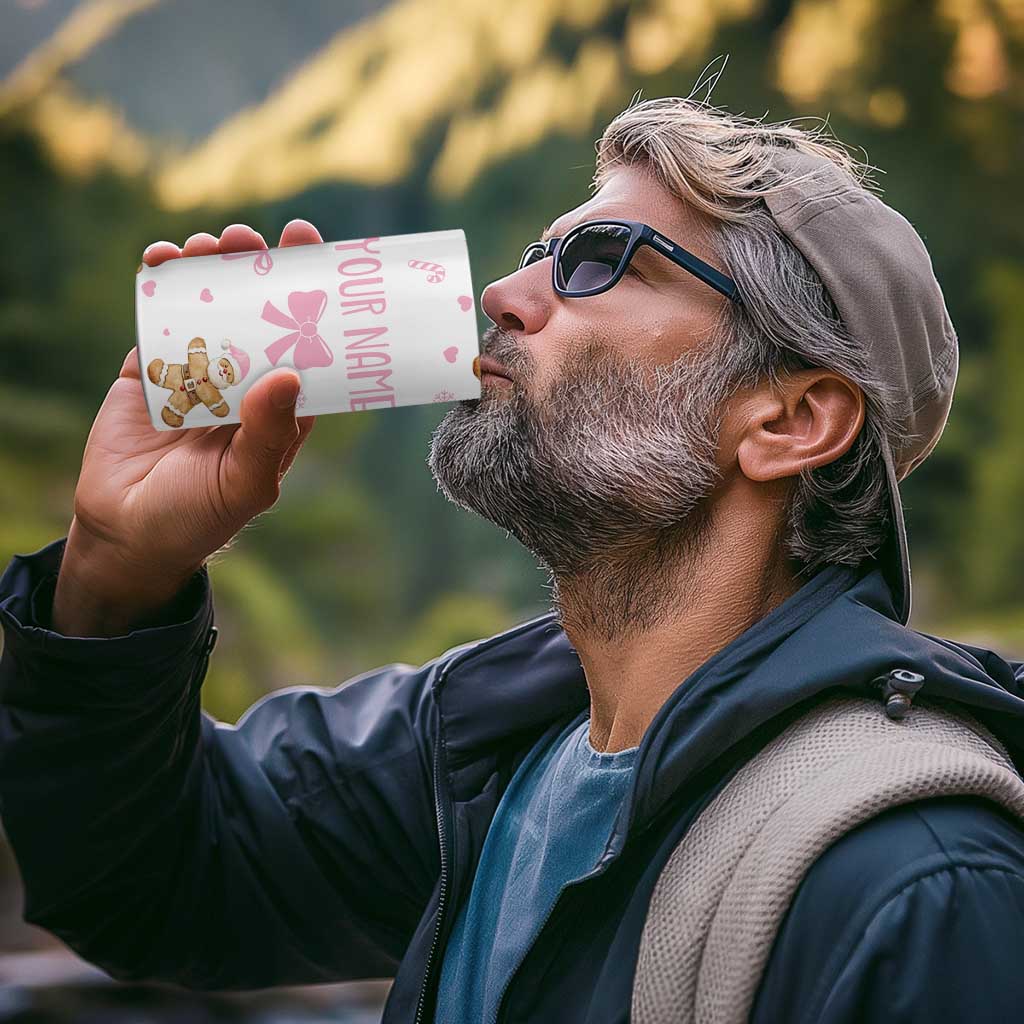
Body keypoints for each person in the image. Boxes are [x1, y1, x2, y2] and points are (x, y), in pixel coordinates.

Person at [2, 93, 1024, 1024]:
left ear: (790, 419)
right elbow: (148, 880)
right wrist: (115, 572)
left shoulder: (917, 884)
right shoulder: (481, 749)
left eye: (600, 261)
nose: (504, 291)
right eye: (540, 252)